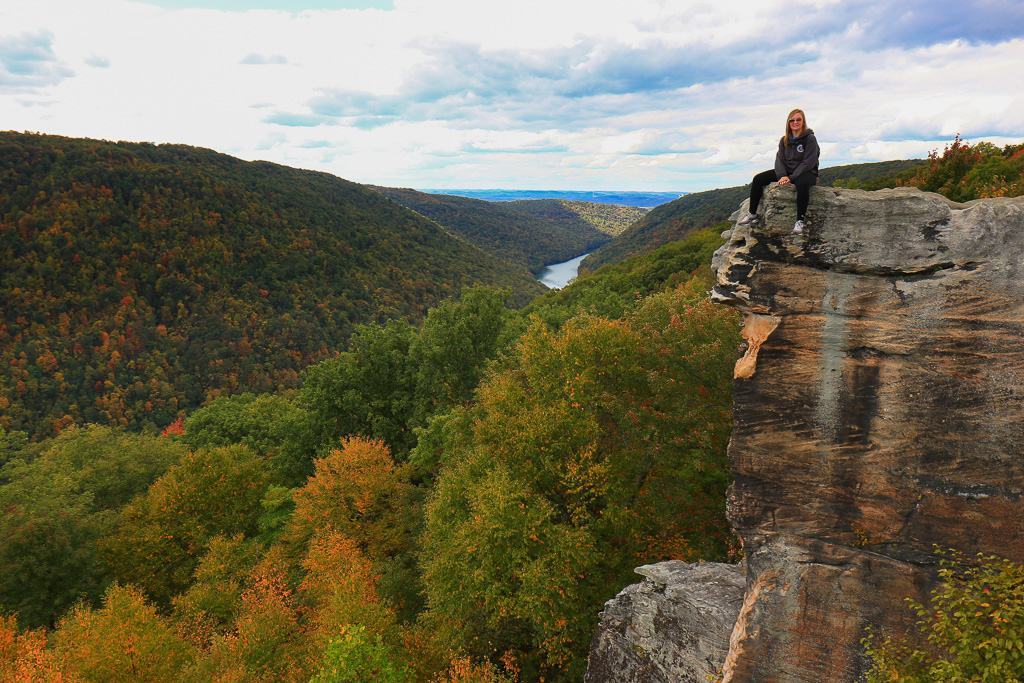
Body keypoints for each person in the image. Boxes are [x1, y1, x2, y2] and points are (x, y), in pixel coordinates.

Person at [738, 108, 819, 234]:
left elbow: (809, 162)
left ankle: (800, 221)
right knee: (758, 179)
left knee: (802, 185)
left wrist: (791, 178)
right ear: (788, 123)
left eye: (798, 119)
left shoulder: (810, 138)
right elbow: (780, 159)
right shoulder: (785, 140)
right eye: (792, 120)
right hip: (787, 172)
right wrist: (782, 176)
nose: (795, 122)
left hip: (806, 172)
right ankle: (752, 213)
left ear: (803, 121)